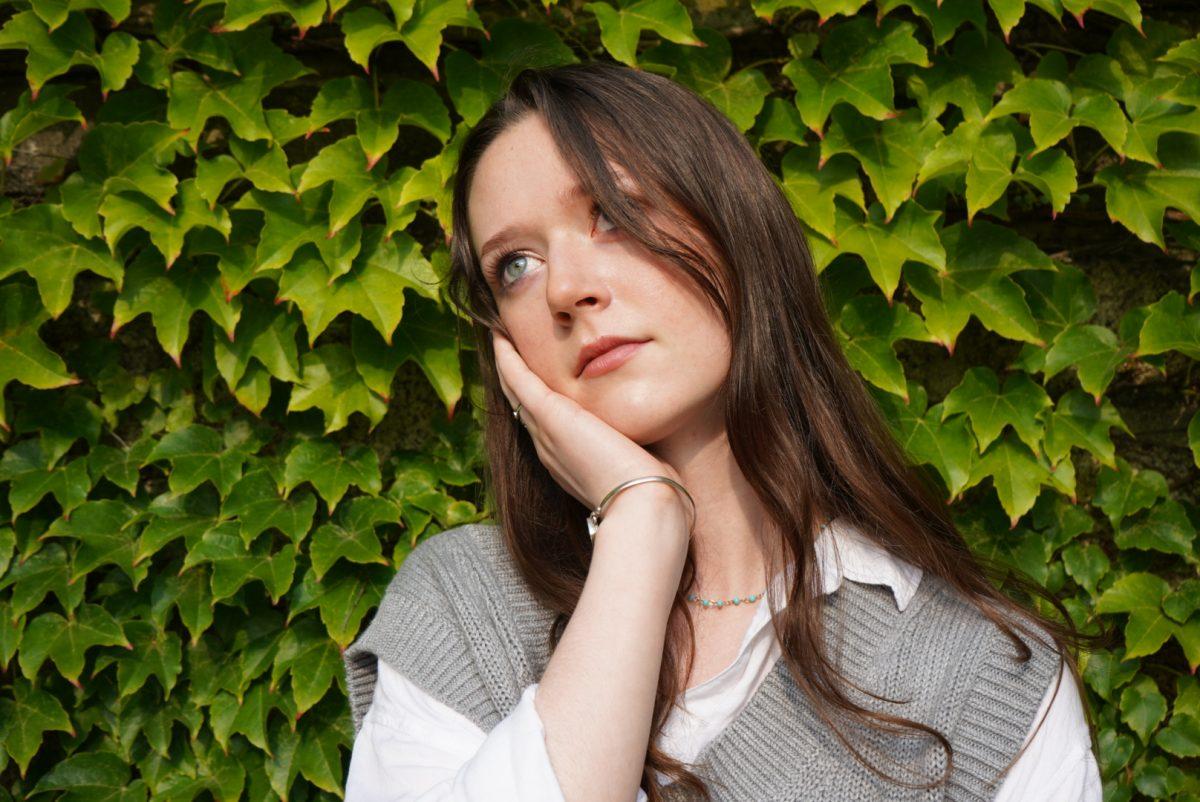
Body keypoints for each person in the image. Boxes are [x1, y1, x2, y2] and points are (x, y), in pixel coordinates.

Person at [342, 61, 1106, 801]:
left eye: (611, 212)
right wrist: (642, 519)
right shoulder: (461, 609)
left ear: (736, 227)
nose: (568, 289)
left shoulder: (985, 680)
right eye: (516, 265)